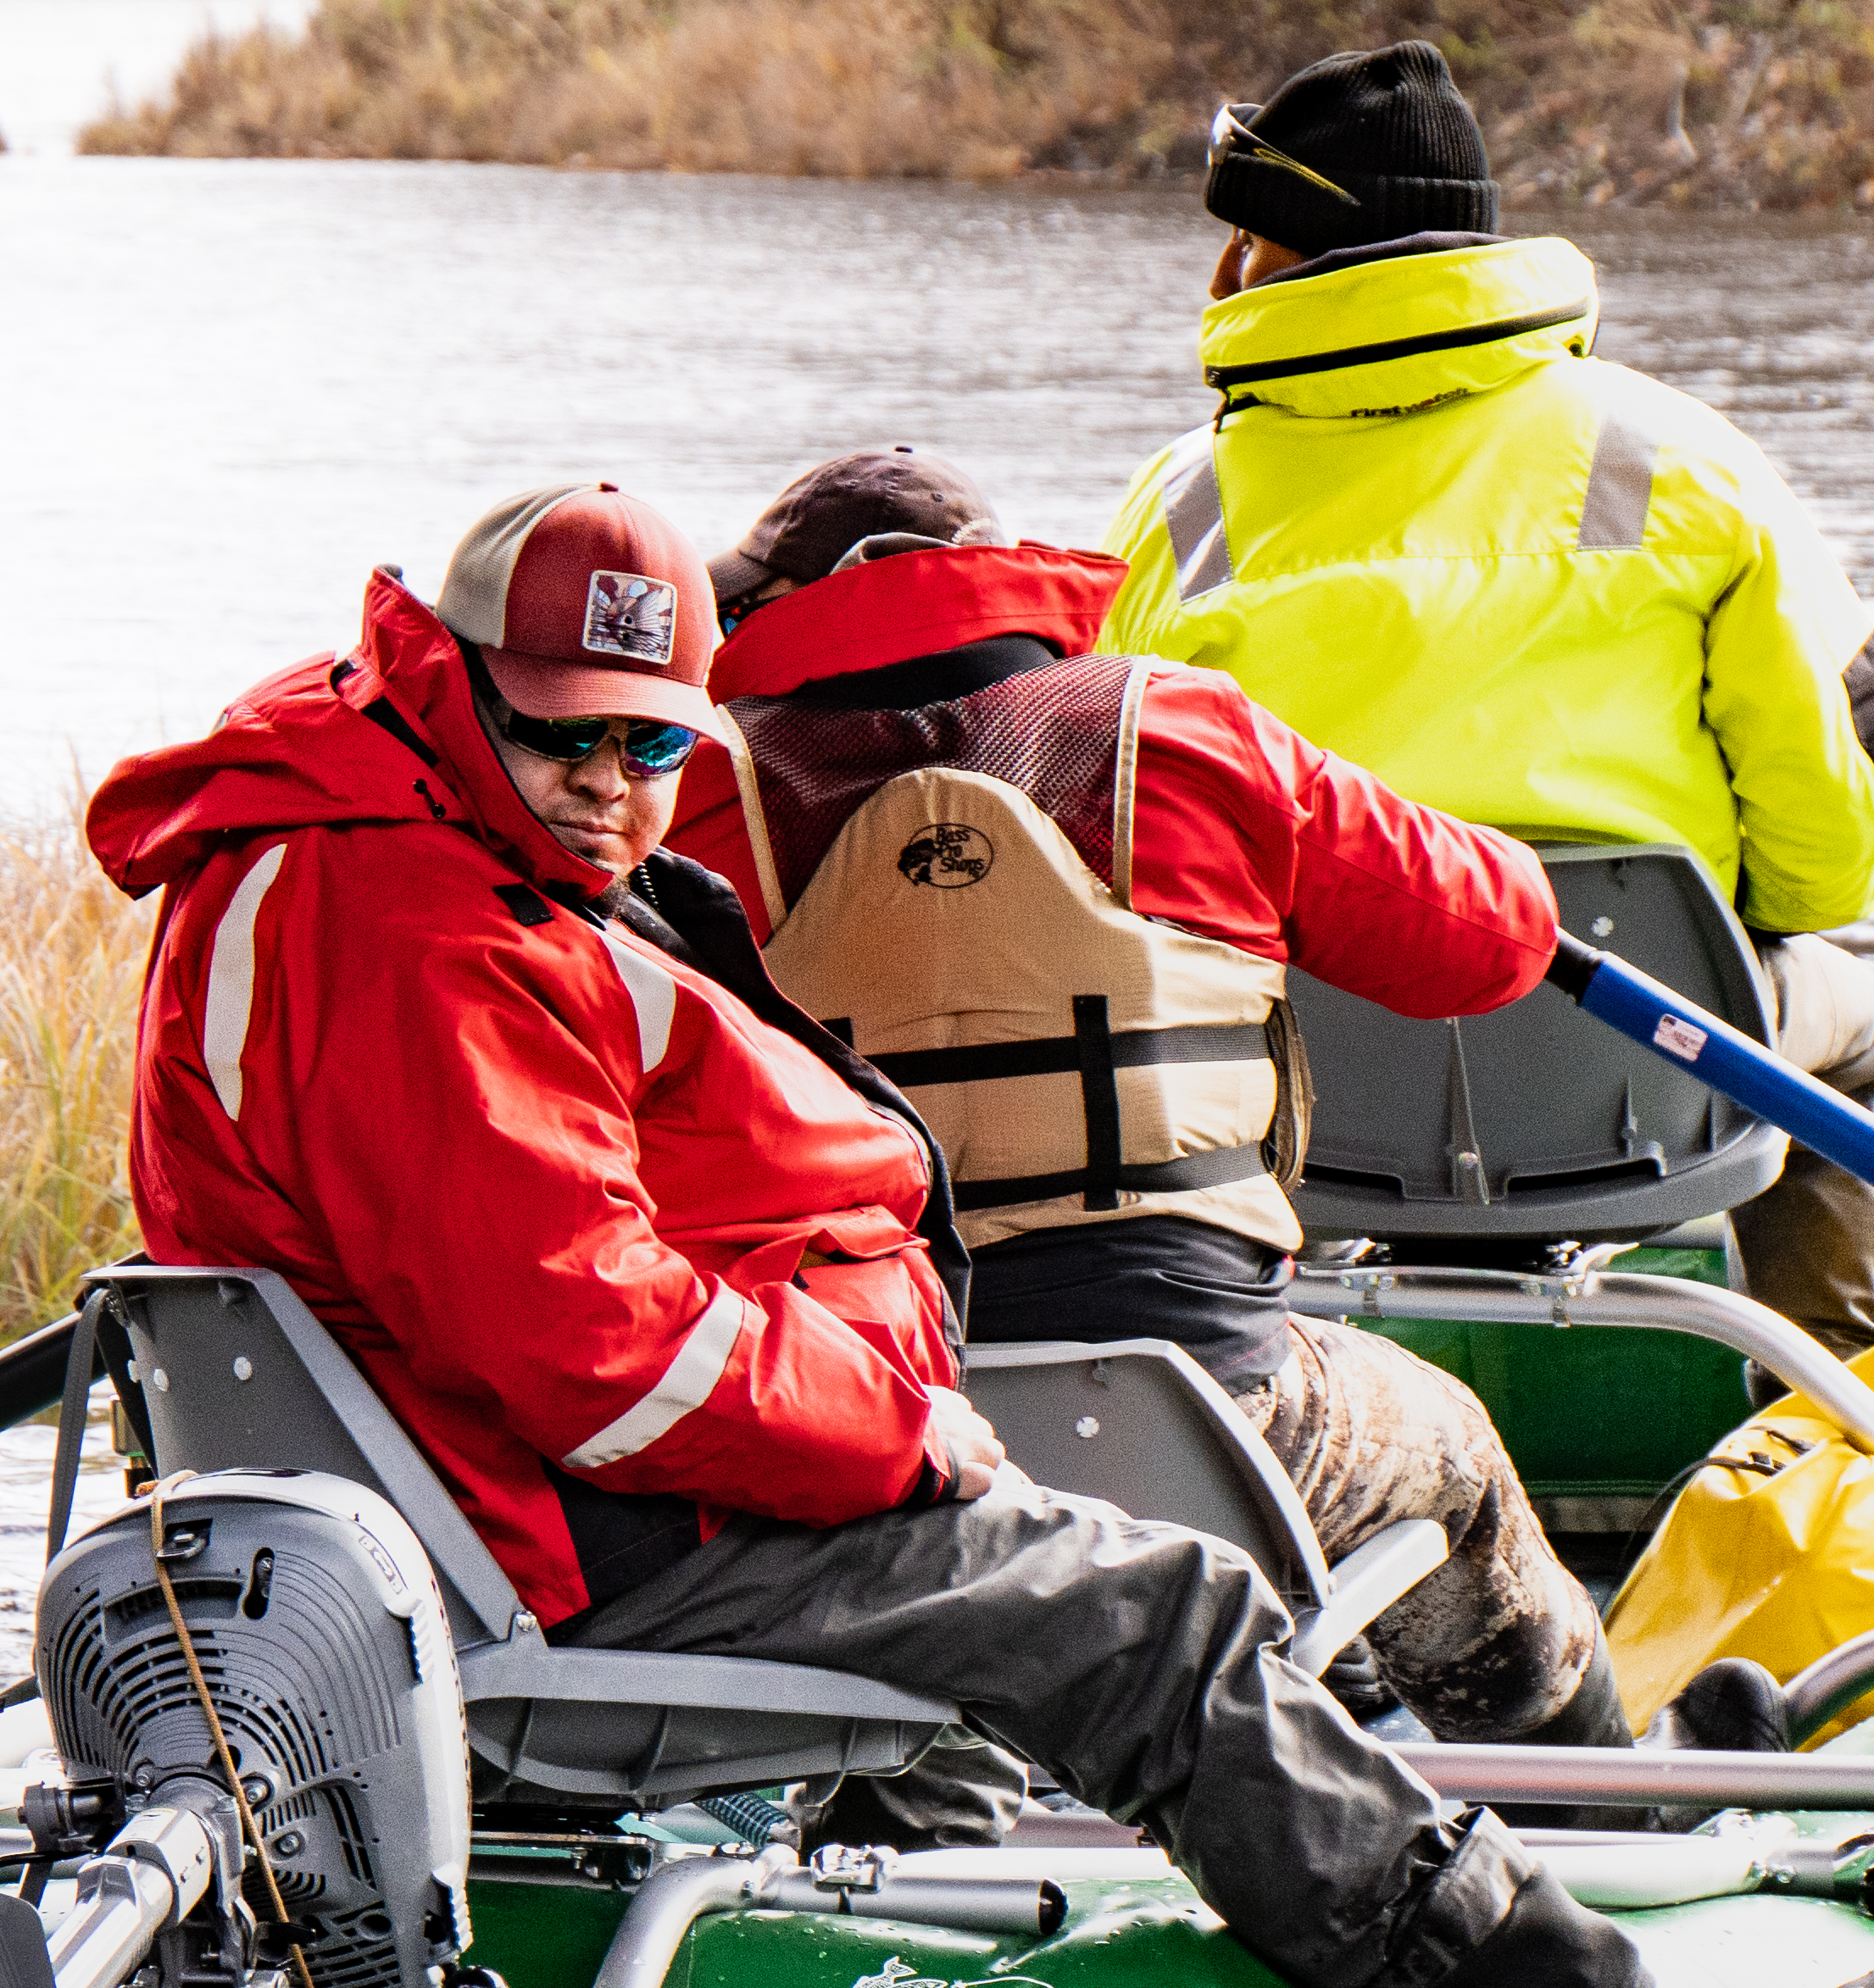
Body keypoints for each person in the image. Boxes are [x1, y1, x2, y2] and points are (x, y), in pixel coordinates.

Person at [82, 478, 1874, 1988]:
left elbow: (545, 1279)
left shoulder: (375, 840)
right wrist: (900, 1426)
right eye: (560, 736)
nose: (612, 790)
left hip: (461, 1501)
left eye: (649, 746)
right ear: (450, 681)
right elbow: (608, 1351)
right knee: (1161, 1618)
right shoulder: (418, 931)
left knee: (1024, 1613)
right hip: (574, 1529)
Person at [673, 441, 1629, 1760]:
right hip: (1207, 1406)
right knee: (1448, 1454)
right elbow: (1498, 937)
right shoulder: (1183, 727)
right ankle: (1607, 1793)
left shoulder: (676, 799)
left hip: (851, 1427)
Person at [1098, 37, 1874, 1358]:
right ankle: (1838, 1431)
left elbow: (1127, 850)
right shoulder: (1675, 456)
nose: (1220, 272)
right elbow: (1822, 870)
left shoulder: (1177, 510)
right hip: (1653, 1062)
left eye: (1241, 239)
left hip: (1320, 1098)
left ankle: (1257, 1401)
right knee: (1861, 1025)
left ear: (1276, 259)